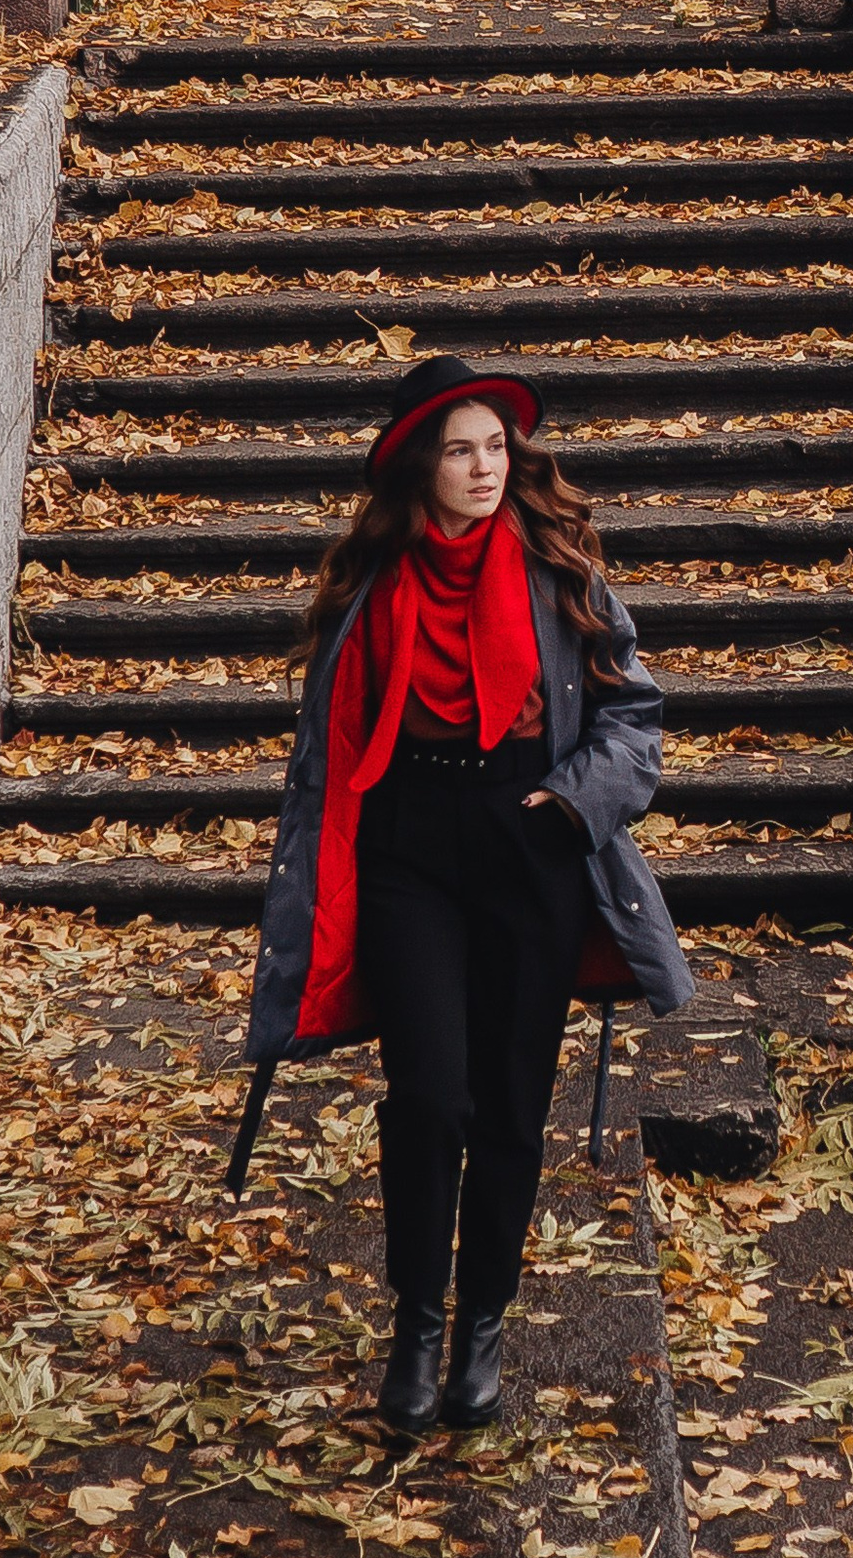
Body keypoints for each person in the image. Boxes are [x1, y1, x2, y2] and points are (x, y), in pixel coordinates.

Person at [243, 354, 694, 1438]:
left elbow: (637, 722)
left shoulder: (560, 569)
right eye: (461, 449)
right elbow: (329, 740)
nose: (485, 467)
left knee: (504, 1107)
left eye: (497, 447)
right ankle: (416, 1320)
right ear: (419, 466)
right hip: (408, 848)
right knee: (430, 1096)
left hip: (528, 841)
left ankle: (482, 1326)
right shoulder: (372, 581)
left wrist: (569, 805)